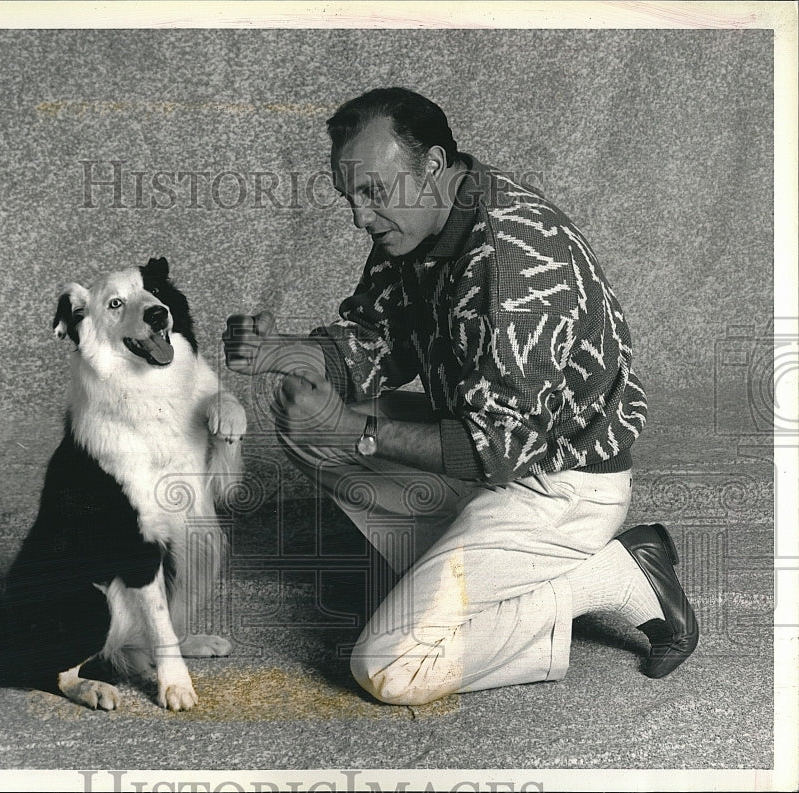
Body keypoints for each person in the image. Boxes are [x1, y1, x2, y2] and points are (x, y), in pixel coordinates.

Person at [223, 87, 697, 706]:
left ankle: (614, 574)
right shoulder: (415, 222)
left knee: (390, 669)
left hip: (558, 482)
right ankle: (469, 574)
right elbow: (378, 337)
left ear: (434, 166)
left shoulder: (518, 265)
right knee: (298, 417)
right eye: (351, 197)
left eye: (373, 193)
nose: (360, 217)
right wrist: (284, 352)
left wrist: (353, 431)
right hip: (482, 448)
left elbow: (499, 450)